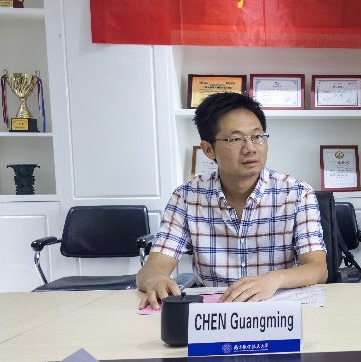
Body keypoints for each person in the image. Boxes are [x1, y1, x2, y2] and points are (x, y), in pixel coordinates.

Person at [137, 92, 328, 309]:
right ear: (208, 149)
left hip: (276, 309)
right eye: (235, 139)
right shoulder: (187, 197)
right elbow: (152, 270)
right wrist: (156, 280)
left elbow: (318, 268)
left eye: (257, 136)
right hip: (213, 312)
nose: (250, 148)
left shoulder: (297, 194)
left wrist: (274, 279)